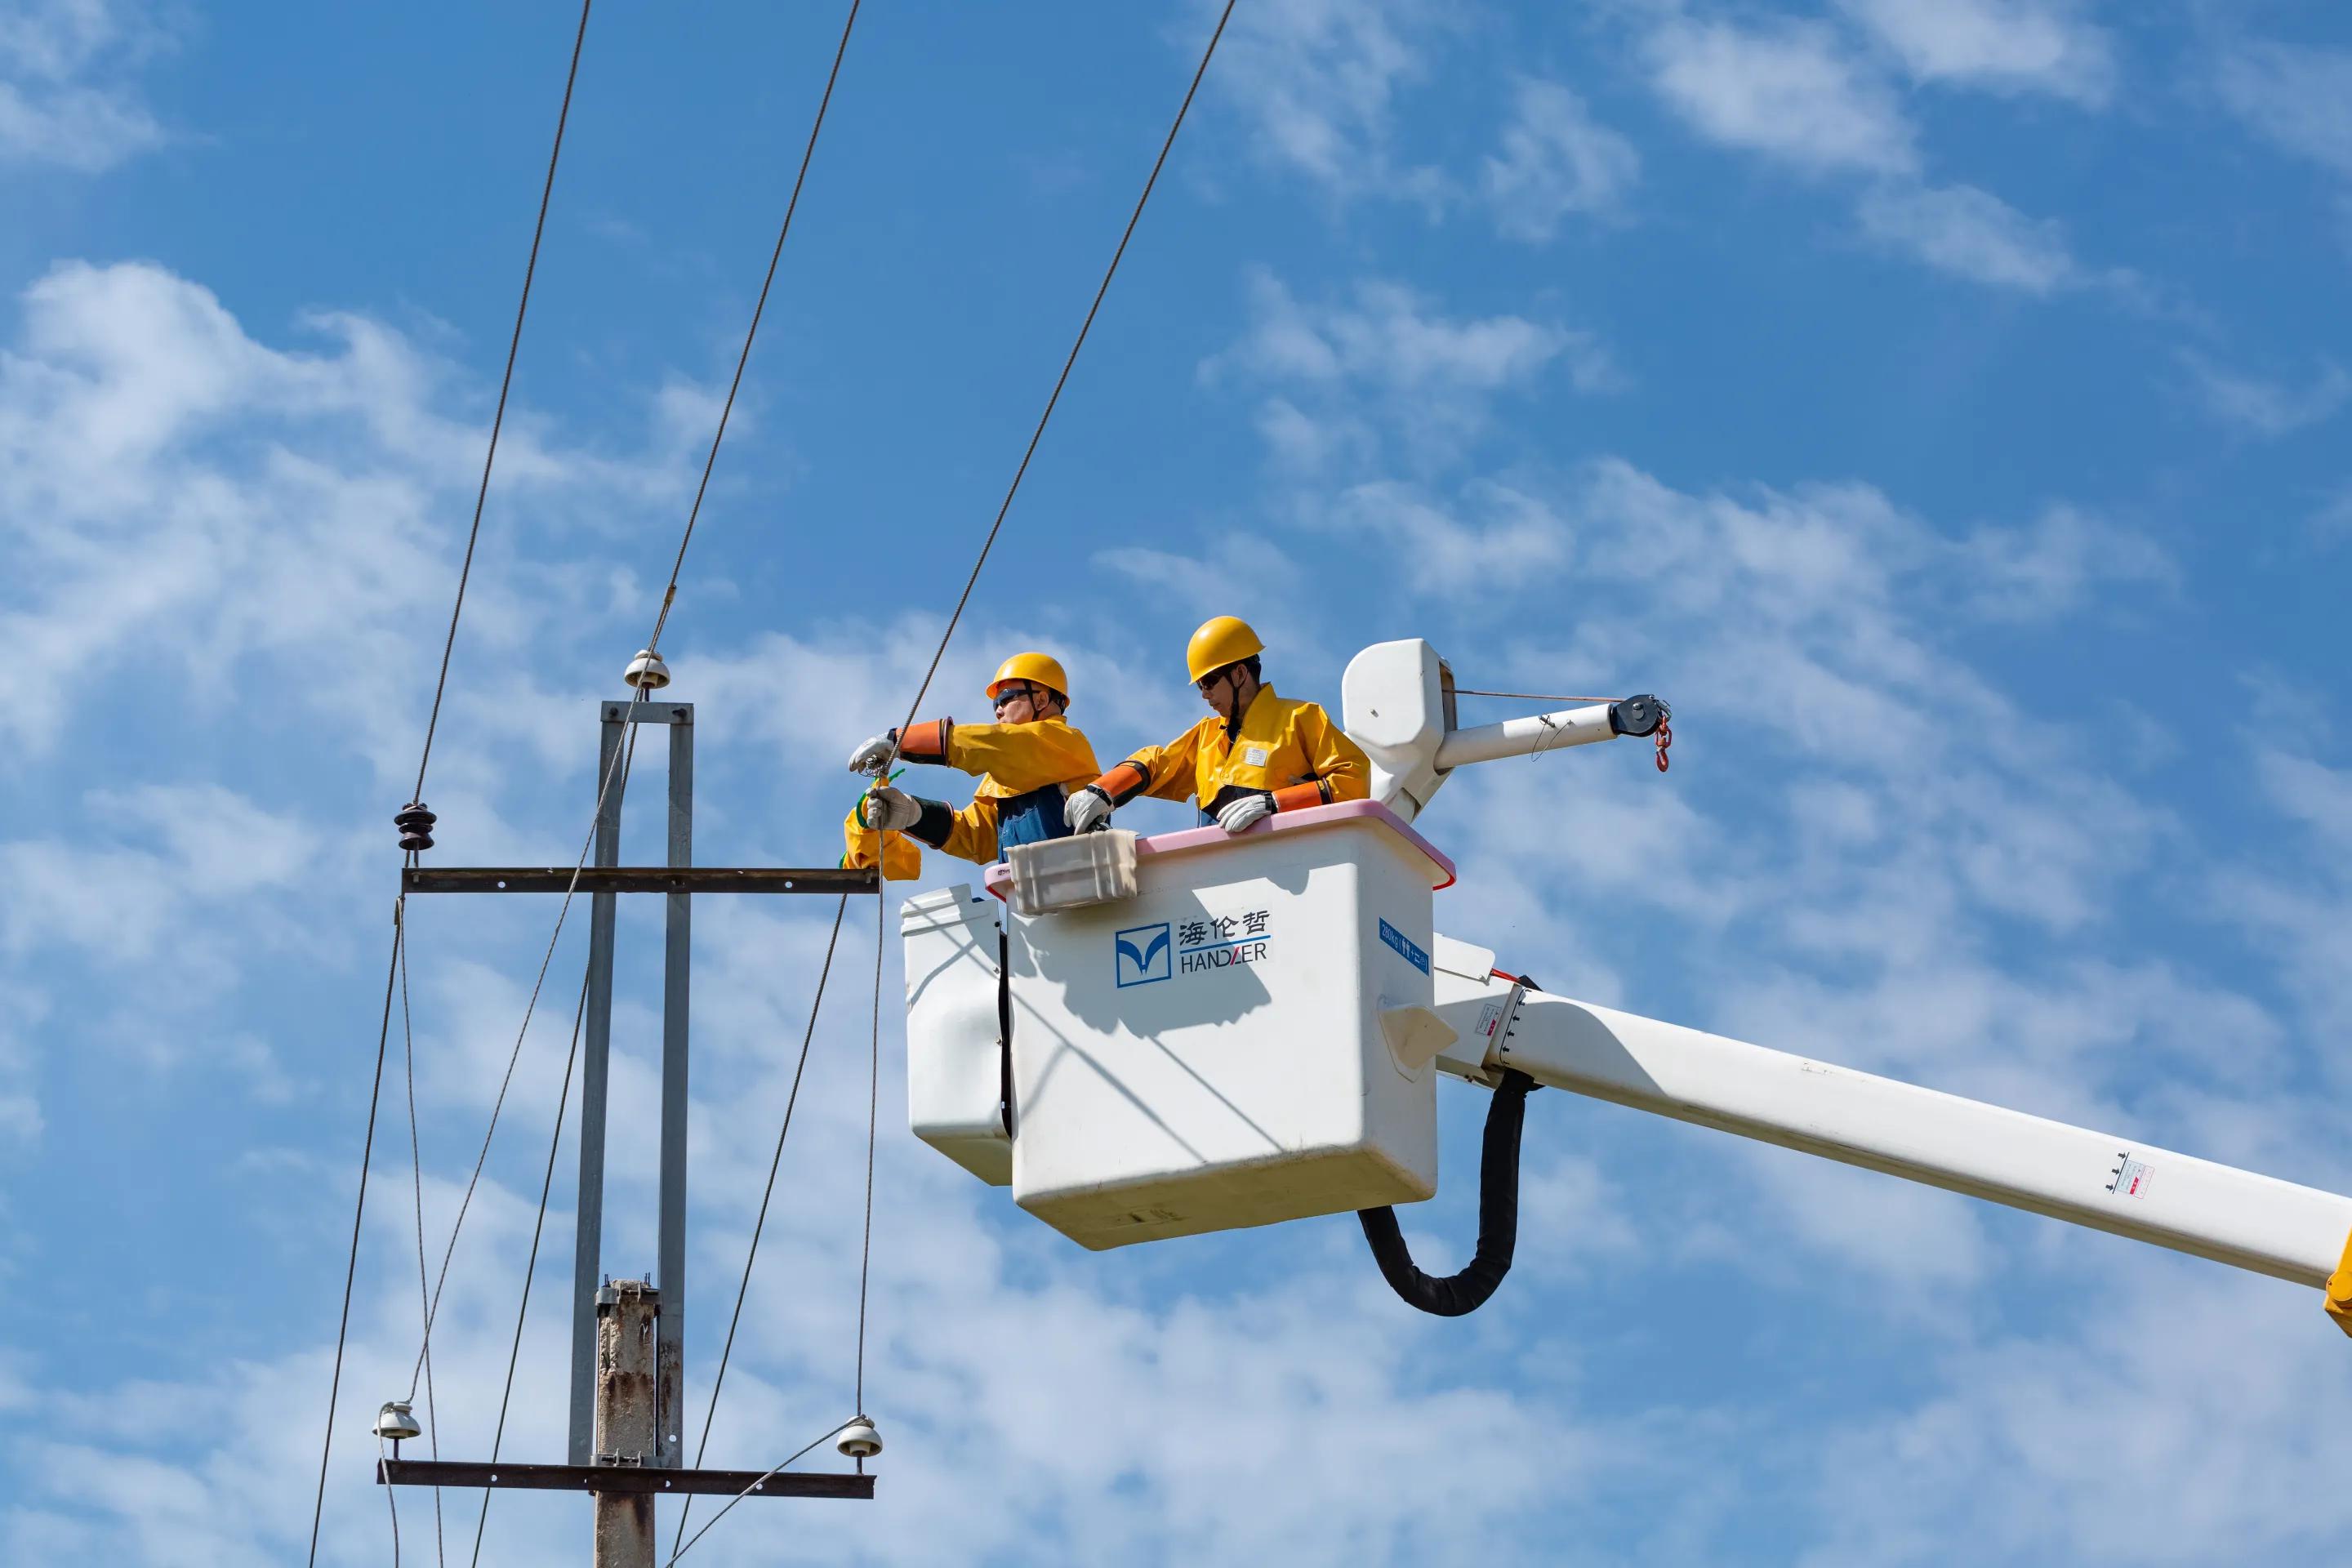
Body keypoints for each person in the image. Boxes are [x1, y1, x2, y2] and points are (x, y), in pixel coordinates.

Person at [1065, 616, 1368, 836]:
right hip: (1223, 878)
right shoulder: (1207, 737)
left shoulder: (1300, 718)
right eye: (1199, 686)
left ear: (1239, 674)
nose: (1204, 694)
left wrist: (1274, 803)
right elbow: (1157, 764)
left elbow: (1353, 779)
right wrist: (1102, 791)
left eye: (1209, 682)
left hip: (1290, 864)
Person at [841, 652, 1100, 875]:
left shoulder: (1063, 742)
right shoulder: (1009, 772)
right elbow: (979, 837)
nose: (998, 710)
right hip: (1032, 902)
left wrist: (899, 741)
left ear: (1041, 700)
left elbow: (996, 745)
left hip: (1082, 887)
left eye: (1006, 698)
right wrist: (912, 814)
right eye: (995, 704)